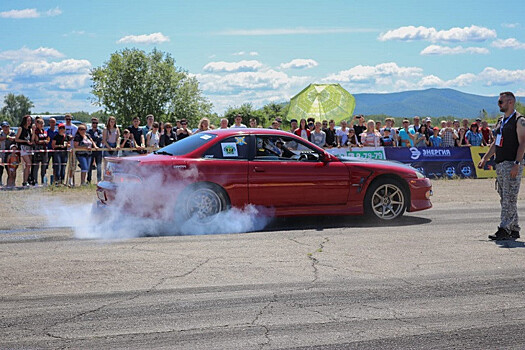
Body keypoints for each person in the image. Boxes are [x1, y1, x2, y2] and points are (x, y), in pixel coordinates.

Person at [478, 92, 525, 240]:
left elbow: (523, 143)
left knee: (509, 198)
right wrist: (485, 158)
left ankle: (504, 229)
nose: (499, 104)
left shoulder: (519, 120)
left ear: (510, 102)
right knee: (505, 197)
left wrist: (517, 163)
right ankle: (514, 228)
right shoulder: (501, 121)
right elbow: (495, 143)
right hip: (501, 163)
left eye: (501, 102)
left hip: (512, 162)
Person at [15, 115, 33, 186]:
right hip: (23, 147)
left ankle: (25, 181)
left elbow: (31, 139)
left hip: (29, 148)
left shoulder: (29, 129)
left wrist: (33, 131)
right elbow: (16, 139)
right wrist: (25, 141)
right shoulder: (21, 128)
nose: (29, 122)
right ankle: (25, 181)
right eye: (28, 120)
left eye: (30, 120)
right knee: (28, 163)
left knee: (28, 165)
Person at [31, 117, 49, 185]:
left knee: (44, 166)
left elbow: (47, 138)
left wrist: (47, 141)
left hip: (44, 149)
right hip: (38, 149)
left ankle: (43, 181)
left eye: (42, 123)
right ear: (37, 124)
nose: (41, 125)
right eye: (40, 123)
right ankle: (35, 181)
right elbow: (36, 140)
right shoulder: (36, 131)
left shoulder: (45, 131)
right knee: (36, 166)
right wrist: (43, 141)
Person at [87, 118, 103, 184]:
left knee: (99, 166)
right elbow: (88, 138)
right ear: (91, 123)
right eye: (94, 123)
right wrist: (95, 139)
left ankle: (99, 180)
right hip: (90, 150)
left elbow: (100, 138)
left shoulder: (100, 131)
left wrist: (95, 139)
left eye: (96, 123)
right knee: (89, 166)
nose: (95, 124)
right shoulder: (88, 131)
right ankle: (88, 180)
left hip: (98, 150)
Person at [0, 121, 16, 186]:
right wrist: (7, 137)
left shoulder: (12, 133)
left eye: (7, 127)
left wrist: (12, 138)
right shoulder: (0, 133)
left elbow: (16, 138)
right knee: (0, 167)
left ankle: (10, 183)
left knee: (10, 168)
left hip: (10, 154)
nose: (5, 128)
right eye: (4, 127)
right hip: (1, 152)